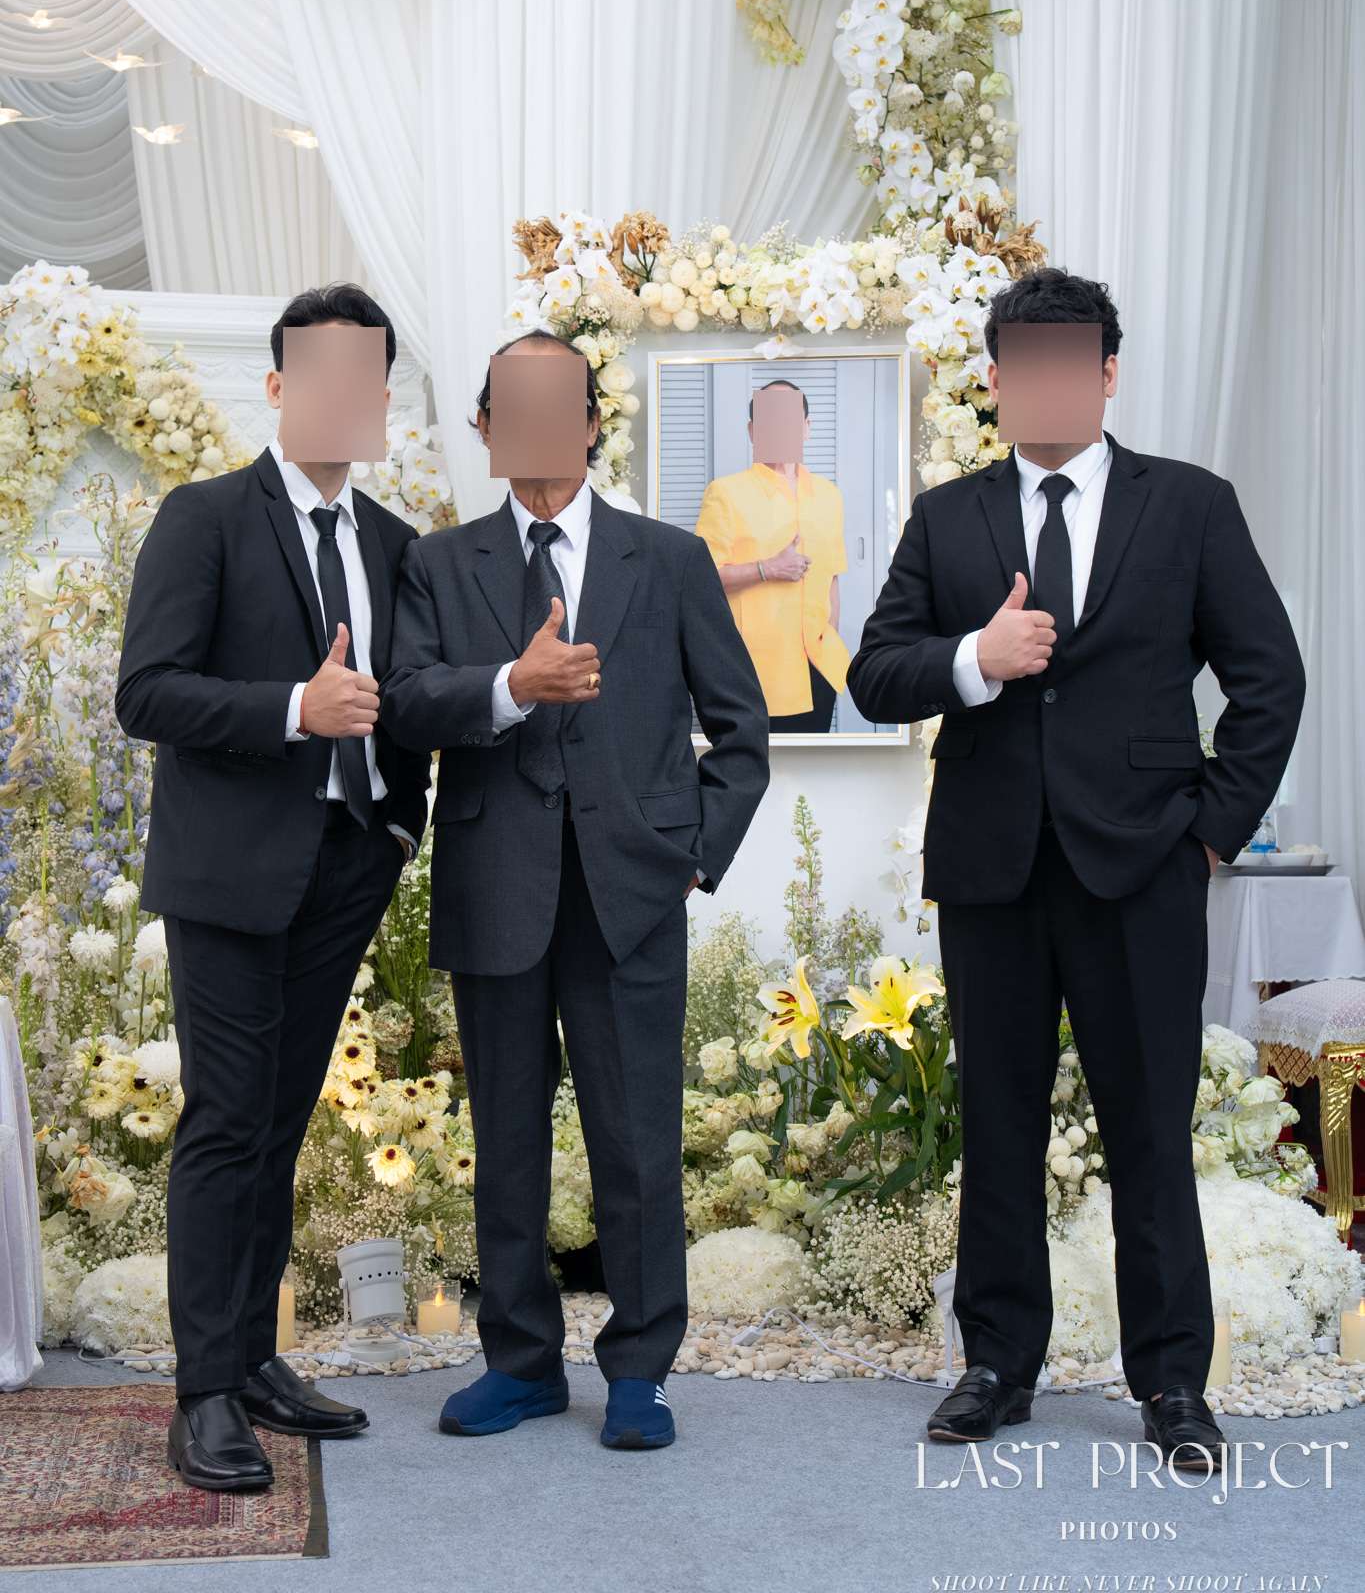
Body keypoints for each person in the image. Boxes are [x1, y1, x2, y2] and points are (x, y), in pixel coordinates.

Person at [847, 268, 1305, 1469]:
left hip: (1144, 866)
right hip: (992, 869)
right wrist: (975, 655)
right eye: (1024, 363)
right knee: (997, 1125)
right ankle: (998, 1362)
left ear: (1105, 373)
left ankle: (1172, 1381)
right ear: (997, 380)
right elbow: (875, 672)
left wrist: (1210, 828)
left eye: (1070, 361)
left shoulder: (1190, 505)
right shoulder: (947, 517)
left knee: (1149, 1128)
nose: (1046, 382)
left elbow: (1270, 675)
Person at [382, 329, 769, 1451]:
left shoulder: (671, 558)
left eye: (561, 405)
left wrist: (690, 853)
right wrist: (512, 683)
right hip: (494, 885)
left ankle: (640, 1369)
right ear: (485, 428)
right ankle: (520, 1364)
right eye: (513, 407)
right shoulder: (439, 563)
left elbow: (740, 730)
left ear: (594, 423)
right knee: (505, 1139)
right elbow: (406, 702)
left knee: (637, 1138)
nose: (538, 426)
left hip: (629, 896)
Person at [116, 283, 430, 1494]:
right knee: (228, 1119)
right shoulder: (203, 517)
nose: (346, 398)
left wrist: (396, 823)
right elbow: (148, 691)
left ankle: (253, 1357)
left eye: (367, 380)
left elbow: (414, 696)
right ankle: (204, 1391)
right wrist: (297, 706)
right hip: (230, 873)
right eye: (323, 375)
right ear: (279, 386)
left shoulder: (394, 540)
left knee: (284, 1121)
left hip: (347, 864)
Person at [695, 380, 850, 732]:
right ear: (753, 431)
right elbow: (701, 579)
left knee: (810, 766)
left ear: (806, 428)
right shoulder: (726, 493)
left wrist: (830, 638)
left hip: (818, 666)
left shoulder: (829, 495)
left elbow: (832, 578)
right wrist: (768, 568)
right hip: (752, 670)